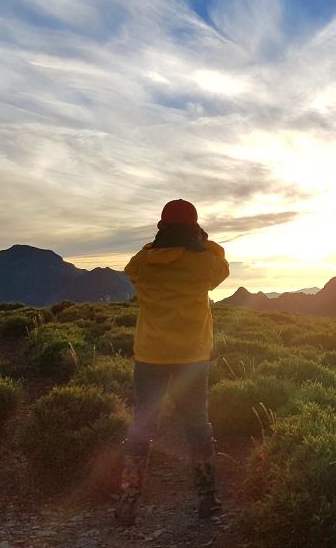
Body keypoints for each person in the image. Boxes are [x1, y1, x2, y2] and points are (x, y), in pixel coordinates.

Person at [115, 199, 230, 527]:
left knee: (142, 425)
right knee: (197, 425)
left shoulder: (143, 263)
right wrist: (202, 241)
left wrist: (157, 244)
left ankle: (128, 502)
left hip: (150, 356)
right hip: (192, 357)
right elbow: (222, 266)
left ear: (162, 227)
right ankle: (207, 500)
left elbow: (131, 267)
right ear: (193, 228)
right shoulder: (204, 264)